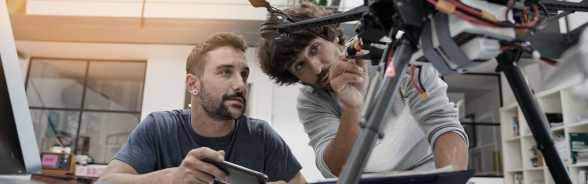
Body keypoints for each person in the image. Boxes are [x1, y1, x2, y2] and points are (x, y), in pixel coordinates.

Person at [256, 2, 469, 178]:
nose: (317, 68)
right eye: (299, 66)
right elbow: (333, 169)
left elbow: (442, 123)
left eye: (315, 48)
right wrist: (352, 106)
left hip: (428, 171)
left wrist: (449, 181)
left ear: (333, 36)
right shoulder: (311, 100)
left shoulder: (394, 52)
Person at [99, 32, 306, 184]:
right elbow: (105, 182)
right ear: (192, 84)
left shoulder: (261, 136)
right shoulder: (159, 128)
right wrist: (172, 177)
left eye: (244, 75)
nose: (241, 85)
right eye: (225, 72)